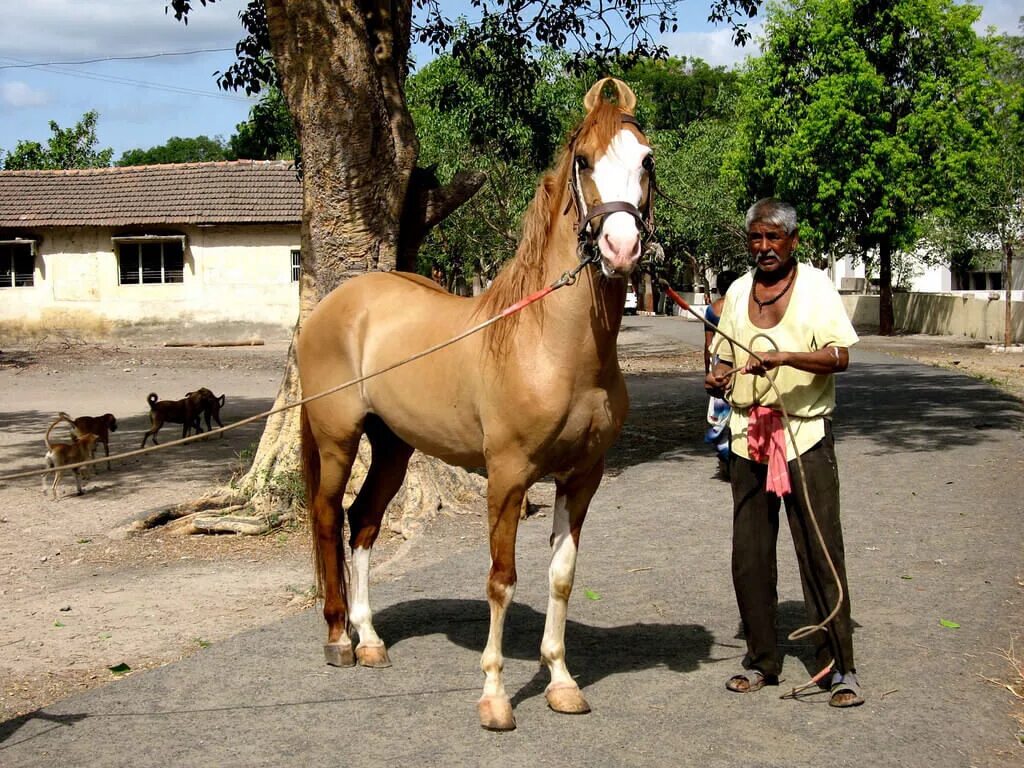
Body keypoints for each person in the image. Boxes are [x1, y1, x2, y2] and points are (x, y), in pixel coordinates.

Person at [704, 198, 864, 708]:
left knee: (818, 552)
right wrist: (718, 377)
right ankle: (761, 662)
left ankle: (839, 667)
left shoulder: (816, 287)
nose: (765, 247)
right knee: (749, 558)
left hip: (805, 438)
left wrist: (785, 356)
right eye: (756, 237)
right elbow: (722, 358)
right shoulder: (736, 292)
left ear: (793, 240)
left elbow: (841, 356)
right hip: (748, 438)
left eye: (774, 237)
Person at [704, 270, 740, 476]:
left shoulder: (713, 310)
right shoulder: (742, 307)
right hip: (739, 363)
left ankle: (726, 462)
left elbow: (709, 345)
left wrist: (708, 369)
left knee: (721, 415)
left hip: (719, 364)